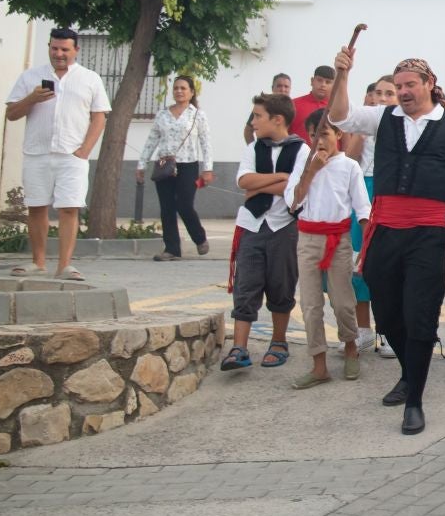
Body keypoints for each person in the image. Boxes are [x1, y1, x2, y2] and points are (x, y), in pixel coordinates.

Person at [328, 52, 445, 436]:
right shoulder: (384, 117)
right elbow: (339, 117)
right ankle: (408, 372)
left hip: (428, 232)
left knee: (420, 315)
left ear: (429, 83)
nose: (403, 93)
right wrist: (342, 75)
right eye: (398, 87)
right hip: (385, 230)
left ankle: (414, 399)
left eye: (410, 85)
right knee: (387, 311)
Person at [3, 28, 111, 280]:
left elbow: (99, 117)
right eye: (55, 48)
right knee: (36, 207)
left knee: (69, 208)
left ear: (76, 50)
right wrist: (32, 98)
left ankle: (64, 265)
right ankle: (38, 262)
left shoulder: (90, 78)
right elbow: (11, 114)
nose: (59, 54)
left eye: (65, 49)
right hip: (37, 153)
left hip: (72, 156)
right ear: (49, 47)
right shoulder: (31, 77)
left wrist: (84, 151)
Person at [284, 109, 371, 388]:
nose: (318, 140)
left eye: (324, 134)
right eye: (313, 135)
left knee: (343, 302)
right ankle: (318, 364)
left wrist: (367, 245)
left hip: (339, 239)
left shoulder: (349, 167)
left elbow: (362, 207)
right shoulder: (304, 161)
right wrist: (311, 171)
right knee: (311, 305)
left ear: (338, 135)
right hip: (308, 239)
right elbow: (292, 203)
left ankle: (350, 348)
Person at [221, 93, 305, 372]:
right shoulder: (253, 148)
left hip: (284, 224)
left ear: (277, 119)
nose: (253, 122)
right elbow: (243, 181)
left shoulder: (302, 150)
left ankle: (278, 341)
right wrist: (280, 177)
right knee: (246, 284)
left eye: (258, 116)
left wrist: (261, 186)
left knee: (282, 284)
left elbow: (295, 189)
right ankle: (239, 347)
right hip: (252, 224)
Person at [344, 75, 398, 356]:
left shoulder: (404, 125)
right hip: (364, 188)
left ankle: (388, 331)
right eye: (379, 93)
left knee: (388, 266)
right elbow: (350, 158)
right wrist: (363, 131)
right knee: (358, 261)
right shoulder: (366, 123)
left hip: (390, 191)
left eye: (390, 93)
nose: (383, 98)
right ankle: (362, 330)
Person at [136, 74, 214, 261]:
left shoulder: (197, 115)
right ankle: (172, 249)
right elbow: (152, 140)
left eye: (183, 88)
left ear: (191, 92)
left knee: (184, 204)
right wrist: (141, 164)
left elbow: (206, 142)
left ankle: (199, 237)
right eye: (176, 88)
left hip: (188, 165)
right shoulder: (162, 114)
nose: (179, 91)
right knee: (167, 207)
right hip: (164, 165)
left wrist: (208, 168)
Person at [246, 73, 296, 145]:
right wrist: (254, 149)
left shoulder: (294, 108)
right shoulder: (263, 108)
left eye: (286, 87)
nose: (282, 89)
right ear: (272, 88)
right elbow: (248, 131)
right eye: (279, 86)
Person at [291, 66, 336, 140]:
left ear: (334, 85)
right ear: (312, 81)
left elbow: (345, 142)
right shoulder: (293, 105)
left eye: (328, 82)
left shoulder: (338, 109)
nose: (323, 85)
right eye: (319, 80)